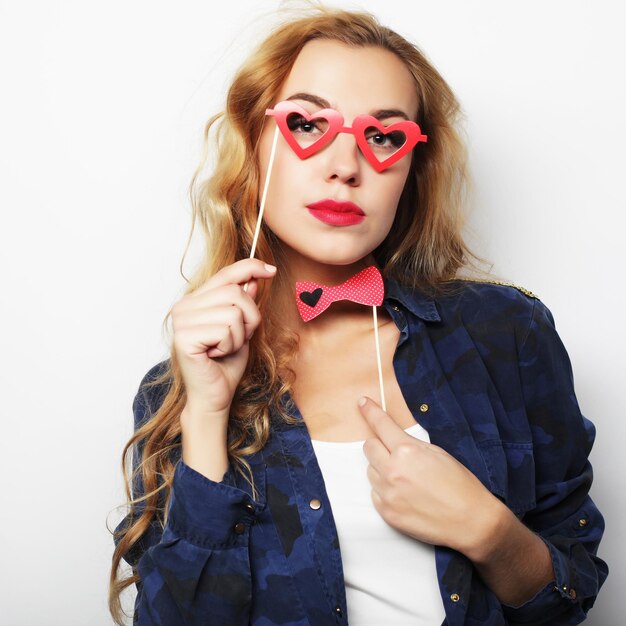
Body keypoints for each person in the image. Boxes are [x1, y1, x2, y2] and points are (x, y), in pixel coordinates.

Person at [109, 6, 608, 625]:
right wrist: (208, 417)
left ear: (409, 172)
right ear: (254, 144)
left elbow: (572, 592)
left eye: (382, 136)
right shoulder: (177, 388)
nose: (346, 165)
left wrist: (487, 529)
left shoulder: (507, 334)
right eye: (307, 123)